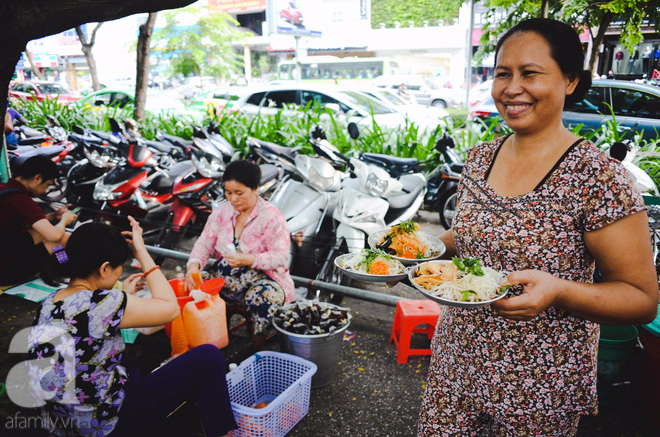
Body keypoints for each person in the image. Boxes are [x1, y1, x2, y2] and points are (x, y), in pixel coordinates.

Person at [418, 18, 658, 436]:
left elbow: (641, 300)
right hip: (456, 363)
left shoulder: (599, 180)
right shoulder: (480, 158)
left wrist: (560, 290)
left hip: (540, 386)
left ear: (569, 80)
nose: (512, 88)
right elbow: (474, 233)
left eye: (530, 73)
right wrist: (420, 253)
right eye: (502, 74)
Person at [27, 217, 237, 437]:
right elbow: (171, 309)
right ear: (105, 268)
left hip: (62, 422)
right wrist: (142, 253)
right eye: (119, 267)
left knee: (133, 373)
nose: (120, 272)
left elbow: (88, 324)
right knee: (209, 357)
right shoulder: (104, 303)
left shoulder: (48, 303)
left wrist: (122, 297)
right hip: (107, 425)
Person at [186, 160, 294, 351]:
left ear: (256, 189)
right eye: (228, 193)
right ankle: (210, 345)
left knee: (262, 298)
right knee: (194, 284)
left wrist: (249, 259)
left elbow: (281, 257)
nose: (233, 199)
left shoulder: (271, 217)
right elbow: (204, 243)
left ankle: (258, 350)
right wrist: (193, 266)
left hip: (265, 279)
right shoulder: (222, 213)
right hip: (225, 277)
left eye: (239, 193)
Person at [0, 156, 77, 286]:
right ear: (37, 178)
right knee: (62, 239)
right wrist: (64, 221)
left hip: (6, 249)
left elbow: (38, 223)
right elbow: (54, 235)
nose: (45, 191)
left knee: (42, 233)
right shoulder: (22, 200)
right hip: (6, 272)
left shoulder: (5, 189)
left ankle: (56, 267)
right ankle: (62, 268)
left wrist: (54, 216)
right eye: (47, 185)